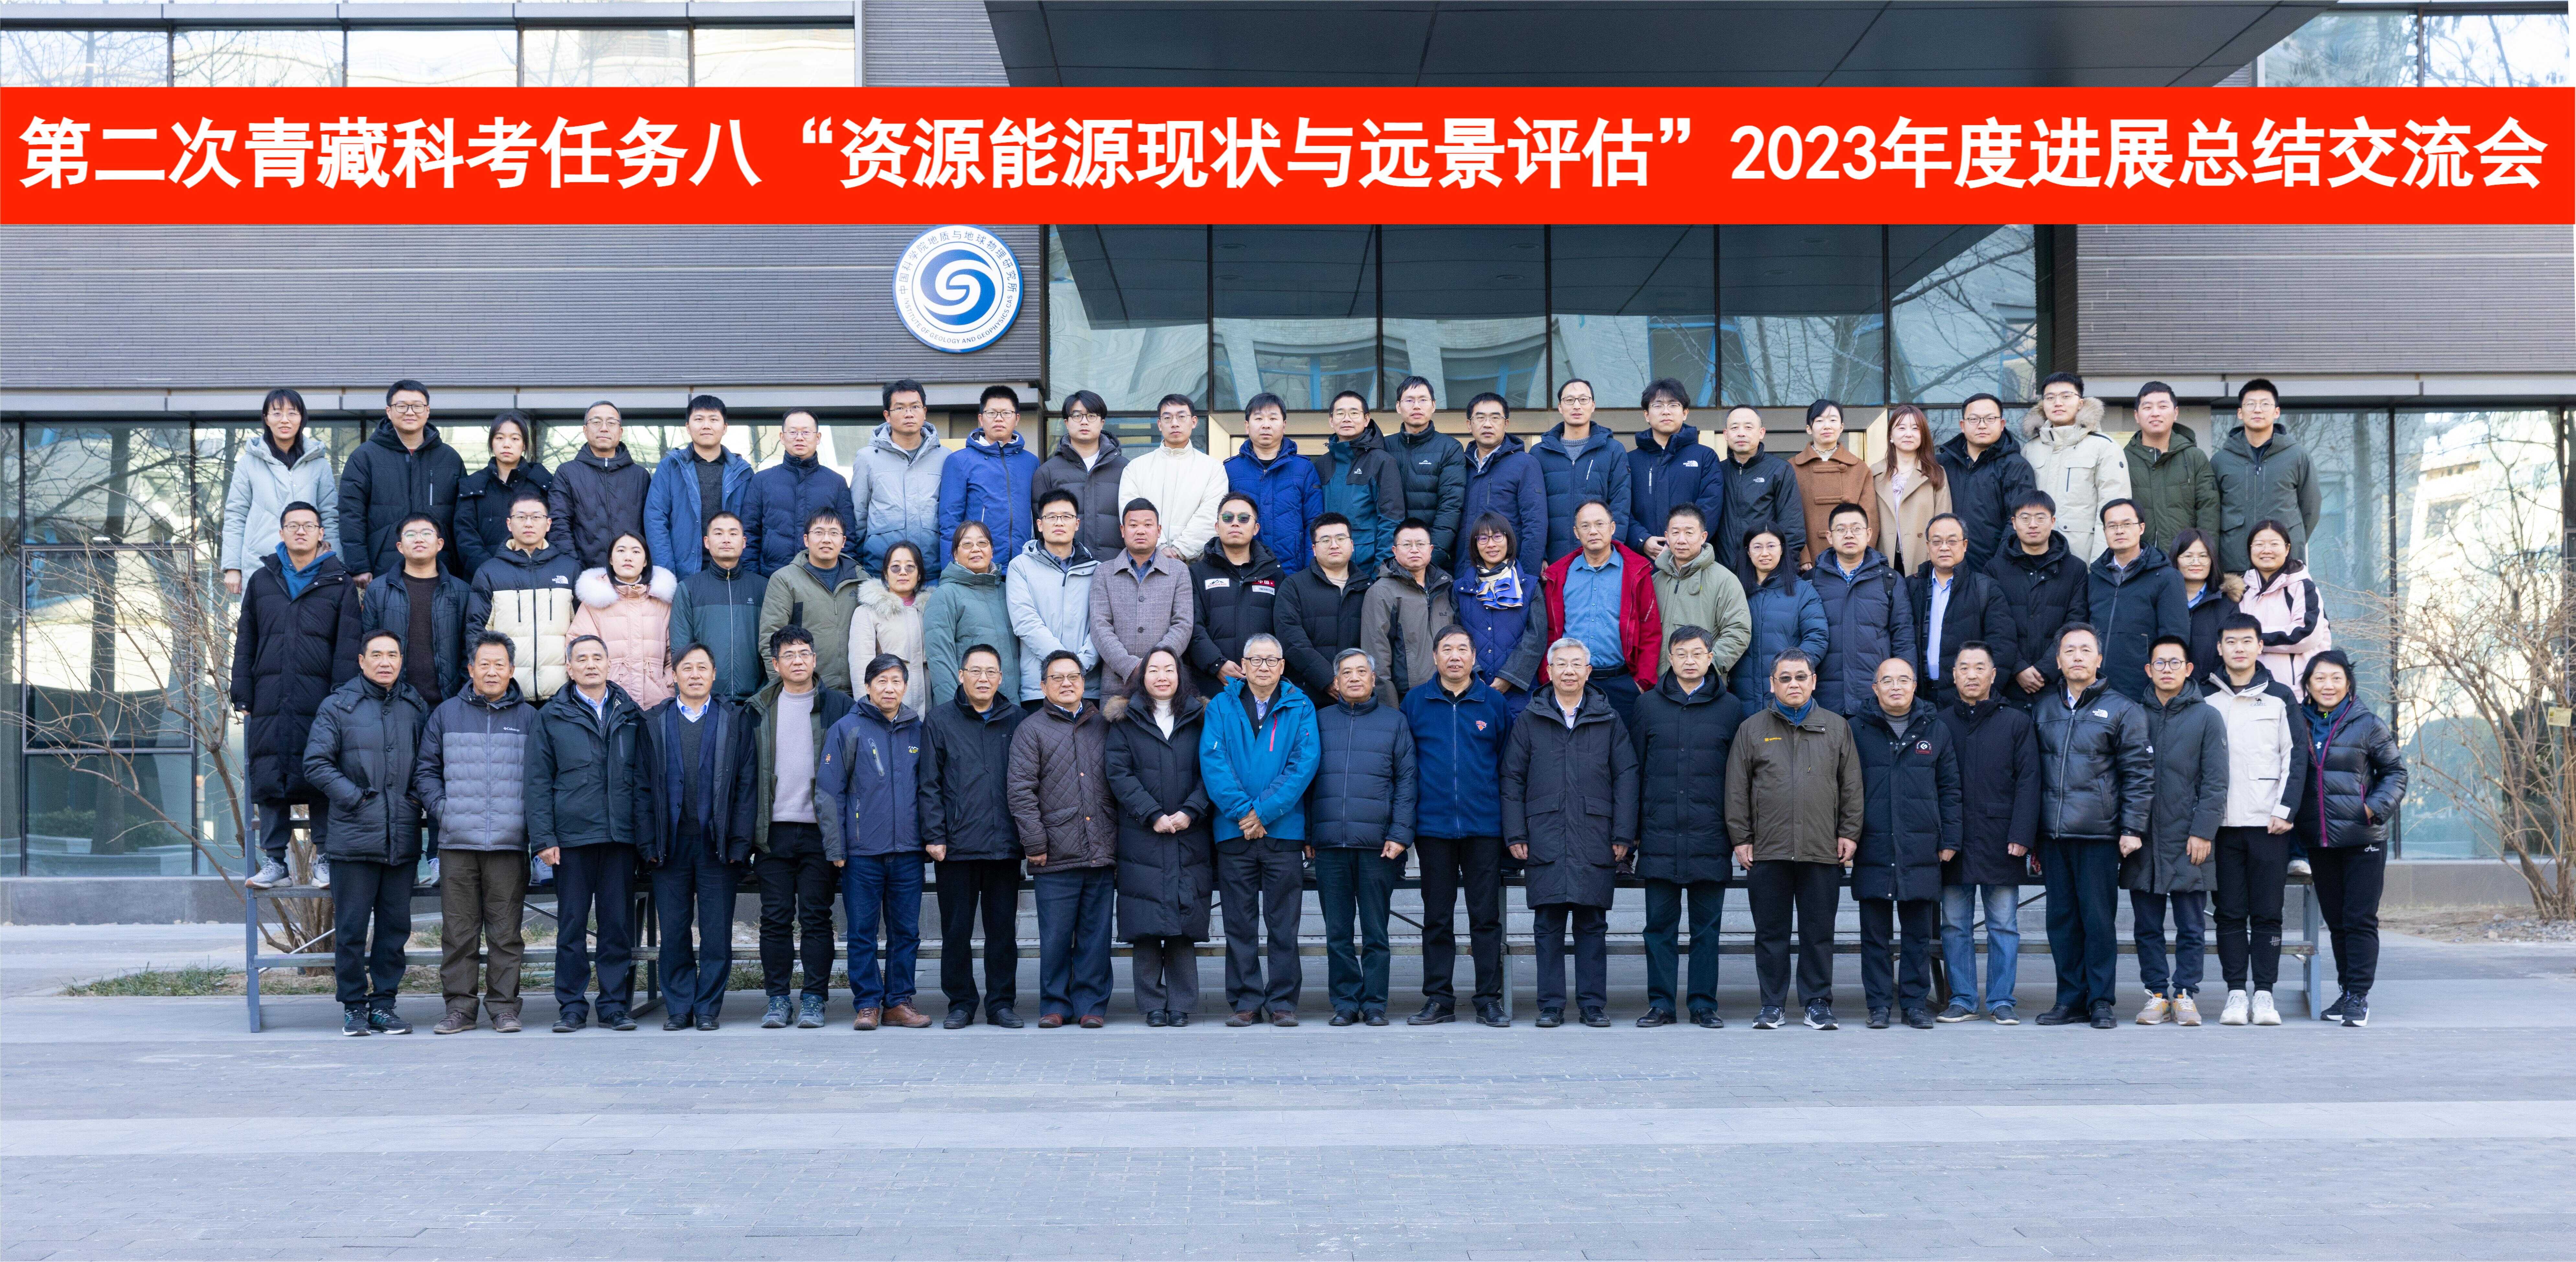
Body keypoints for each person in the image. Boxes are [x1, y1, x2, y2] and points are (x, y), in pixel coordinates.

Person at [1505, 639, 1639, 1029]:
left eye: (1576, 664)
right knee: (1547, 925)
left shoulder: (1608, 718)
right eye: (1561, 664)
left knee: (1591, 925)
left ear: (1588, 671)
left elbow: (1627, 777)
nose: (1568, 671)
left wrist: (1623, 834)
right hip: (1543, 834)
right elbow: (1511, 778)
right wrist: (1515, 833)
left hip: (1595, 834)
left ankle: (1593, 1005)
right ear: (1548, 671)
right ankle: (1550, 1006)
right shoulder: (1530, 718)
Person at [302, 631, 431, 1036]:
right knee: (352, 930)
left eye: (393, 654)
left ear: (401, 660)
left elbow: (429, 762)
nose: (385, 662)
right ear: (361, 661)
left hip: (401, 838)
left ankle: (384, 1005)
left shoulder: (414, 706)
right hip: (354, 839)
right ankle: (354, 1007)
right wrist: (356, 799)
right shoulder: (338, 705)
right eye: (376, 655)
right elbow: (316, 763)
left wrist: (413, 800)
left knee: (395, 930)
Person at [1727, 649, 1863, 1031]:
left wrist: (1849, 832)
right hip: (1767, 849)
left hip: (1822, 849)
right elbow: (1736, 789)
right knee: (1770, 933)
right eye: (1784, 678)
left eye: (1801, 677)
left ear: (1813, 681)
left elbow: (1851, 786)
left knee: (1818, 933)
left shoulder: (1836, 727)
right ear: (1772, 684)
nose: (1793, 684)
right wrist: (1741, 837)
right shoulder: (1752, 729)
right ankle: (1772, 1005)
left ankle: (1817, 1003)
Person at [2031, 624, 2155, 1030]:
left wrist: (2132, 827)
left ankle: (2101, 1000)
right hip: (2053, 835)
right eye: (2070, 650)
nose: (2078, 657)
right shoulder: (2043, 709)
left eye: (2086, 650)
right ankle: (2070, 999)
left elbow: (2139, 773)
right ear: (2058, 661)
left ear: (2099, 659)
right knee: (2061, 921)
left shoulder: (2123, 709)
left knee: (2098, 921)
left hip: (2099, 833)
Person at [236, 502, 364, 892]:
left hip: (321, 699)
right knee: (269, 773)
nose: (301, 531)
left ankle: (324, 857)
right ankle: (275, 861)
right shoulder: (262, 580)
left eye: (309, 525)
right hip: (270, 695)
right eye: (293, 526)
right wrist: (242, 691)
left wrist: (341, 698)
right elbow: (246, 639)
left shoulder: (339, 582)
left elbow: (348, 645)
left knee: (322, 773)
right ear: (281, 533)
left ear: (321, 533)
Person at [414, 633, 537, 1034]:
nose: (492, 671)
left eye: (500, 664)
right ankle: (460, 1010)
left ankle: (504, 1008)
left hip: (508, 843)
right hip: (457, 842)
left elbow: (541, 777)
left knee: (506, 934)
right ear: (471, 669)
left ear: (512, 670)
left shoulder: (529, 718)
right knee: (459, 933)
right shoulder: (446, 714)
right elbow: (426, 771)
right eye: (484, 664)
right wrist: (444, 811)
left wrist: (526, 822)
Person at [1199, 633, 1321, 1026]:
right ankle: (1246, 1000)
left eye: (1271, 660)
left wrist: (1263, 813)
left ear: (1282, 666)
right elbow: (1213, 762)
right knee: (1239, 922)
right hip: (1234, 830)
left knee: (1284, 923)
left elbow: (1304, 764)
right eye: (1256, 660)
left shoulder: (1300, 705)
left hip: (1282, 831)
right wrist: (1243, 813)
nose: (1264, 667)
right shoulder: (1222, 705)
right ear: (1244, 664)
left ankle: (1283, 1001)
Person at [529, 635, 648, 1033]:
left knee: (617, 926)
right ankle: (572, 1007)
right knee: (572, 926)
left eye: (598, 657)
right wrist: (544, 838)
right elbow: (537, 780)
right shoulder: (552, 715)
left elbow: (643, 779)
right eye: (582, 659)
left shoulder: (630, 713)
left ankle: (614, 1005)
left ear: (609, 663)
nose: (591, 664)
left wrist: (643, 837)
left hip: (619, 838)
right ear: (569, 667)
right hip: (571, 840)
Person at [635, 644, 758, 1031]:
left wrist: (739, 844)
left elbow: (746, 786)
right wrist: (648, 844)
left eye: (702, 667)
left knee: (716, 933)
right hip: (669, 846)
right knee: (673, 932)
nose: (694, 674)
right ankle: (678, 1007)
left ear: (714, 674)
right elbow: (641, 787)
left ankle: (707, 1008)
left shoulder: (733, 720)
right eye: (686, 668)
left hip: (716, 846)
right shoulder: (654, 721)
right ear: (674, 676)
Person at [1630, 625, 1746, 1029]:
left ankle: (1702, 1004)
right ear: (1670, 658)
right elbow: (1634, 770)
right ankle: (1661, 1004)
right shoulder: (1647, 706)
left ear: (1711, 658)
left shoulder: (1731, 708)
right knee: (1658, 928)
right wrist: (1633, 831)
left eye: (1698, 653)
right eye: (1681, 654)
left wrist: (1738, 833)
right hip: (1659, 833)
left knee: (1706, 929)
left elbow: (1739, 777)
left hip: (1710, 834)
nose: (1690, 661)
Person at [745, 627, 857, 1031]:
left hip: (819, 832)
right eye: (789, 655)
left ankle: (813, 998)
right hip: (772, 831)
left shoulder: (839, 706)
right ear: (775, 664)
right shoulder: (758, 708)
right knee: (775, 918)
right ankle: (777, 999)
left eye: (805, 653)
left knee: (816, 916)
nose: (798, 661)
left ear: (815, 659)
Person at [1402, 626, 1514, 1028]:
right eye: (1446, 649)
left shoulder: (1494, 703)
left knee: (1485, 918)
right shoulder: (1415, 702)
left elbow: (1507, 766)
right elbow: (1405, 765)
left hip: (1483, 826)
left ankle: (1488, 1000)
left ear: (1474, 657)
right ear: (1434, 657)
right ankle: (1439, 999)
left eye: (1462, 649)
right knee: (1437, 917)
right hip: (1433, 828)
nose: (1454, 656)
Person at [2203, 613, 2308, 1027]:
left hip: (2268, 824)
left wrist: (2285, 810)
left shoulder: (2280, 697)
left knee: (2267, 912)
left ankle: (2264, 994)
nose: (2239, 648)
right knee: (2228, 912)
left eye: (2247, 641)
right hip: (2220, 825)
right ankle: (2234, 993)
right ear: (2219, 648)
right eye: (2231, 641)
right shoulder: (2204, 697)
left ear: (2260, 646)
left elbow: (2295, 756)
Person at [818, 652, 934, 1031]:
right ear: (867, 686)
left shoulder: (918, 731)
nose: (889, 688)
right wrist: (836, 847)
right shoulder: (847, 728)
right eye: (881, 681)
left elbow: (931, 789)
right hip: (861, 853)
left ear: (906, 686)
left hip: (908, 852)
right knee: (862, 933)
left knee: (906, 933)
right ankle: (867, 1003)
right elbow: (829, 792)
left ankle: (898, 1002)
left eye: (896, 681)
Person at [1304, 650, 1417, 1026]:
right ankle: (1345, 1002)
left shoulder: (1394, 722)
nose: (1354, 678)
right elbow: (1304, 779)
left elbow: (1407, 783)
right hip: (1329, 844)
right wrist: (1309, 832)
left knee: (1375, 931)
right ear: (1335, 682)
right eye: (1346, 673)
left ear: (1373, 679)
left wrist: (1400, 834)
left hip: (1378, 846)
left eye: (1361, 672)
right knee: (1337, 932)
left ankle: (1375, 1003)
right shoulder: (1319, 721)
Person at [918, 641, 1028, 1028]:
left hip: (1004, 846)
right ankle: (961, 1003)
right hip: (956, 847)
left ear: (1001, 678)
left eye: (991, 672)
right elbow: (928, 783)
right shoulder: (940, 720)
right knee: (956, 931)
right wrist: (934, 835)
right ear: (961, 675)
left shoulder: (1016, 719)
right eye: (976, 671)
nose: (984, 678)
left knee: (1002, 932)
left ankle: (1001, 1003)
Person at [1008, 651, 1120, 1028]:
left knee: (1096, 935)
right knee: (1055, 936)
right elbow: (1020, 791)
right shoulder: (1031, 729)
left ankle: (1091, 1006)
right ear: (1043, 686)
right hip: (1054, 852)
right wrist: (1035, 844)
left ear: (1085, 682)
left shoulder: (1103, 725)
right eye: (1057, 678)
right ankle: (1055, 1004)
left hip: (1100, 847)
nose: (1067, 683)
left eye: (1074, 676)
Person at [2296, 650, 2407, 1029]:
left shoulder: (2367, 724)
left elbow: (2395, 772)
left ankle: (2359, 995)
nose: (2328, 686)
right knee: (2337, 921)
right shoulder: (2297, 722)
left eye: (2336, 678)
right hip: (2320, 840)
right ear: (2308, 685)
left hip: (2363, 837)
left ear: (2348, 684)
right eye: (2319, 679)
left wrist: (2372, 808)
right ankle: (2347, 992)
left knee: (2359, 919)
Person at [1849, 656, 1960, 1031]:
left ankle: (1914, 1004)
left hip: (1921, 847)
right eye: (1887, 680)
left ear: (1915, 686)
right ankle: (1879, 1005)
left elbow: (1950, 789)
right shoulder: (1856, 729)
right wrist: (1845, 836)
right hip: (1872, 845)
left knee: (1917, 935)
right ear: (1875, 688)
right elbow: (1843, 788)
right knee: (1874, 936)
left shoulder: (1936, 729)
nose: (1895, 687)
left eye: (1903, 680)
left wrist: (1950, 838)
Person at [2123, 635, 2229, 1026]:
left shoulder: (2207, 717)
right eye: (2159, 663)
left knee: (2191, 924)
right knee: (2146, 925)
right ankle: (2156, 994)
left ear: (2188, 669)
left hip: (2189, 838)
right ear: (2148, 670)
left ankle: (2185, 994)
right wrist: (2128, 827)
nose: (2166, 669)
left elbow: (2216, 782)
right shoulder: (2133, 714)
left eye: (2175, 663)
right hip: (2143, 837)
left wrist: (2203, 831)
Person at [1104, 648, 1214, 1026]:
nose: (1162, 676)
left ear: (1181, 675)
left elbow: (1213, 769)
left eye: (1170, 669)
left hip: (1189, 831)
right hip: (1141, 835)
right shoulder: (1125, 719)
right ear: (1142, 676)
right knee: (1146, 921)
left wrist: (1191, 810)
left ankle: (1181, 1004)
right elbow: (1118, 773)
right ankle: (1152, 1004)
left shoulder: (1201, 717)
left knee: (1183, 921)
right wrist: (1152, 814)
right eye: (1154, 670)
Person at [1934, 642, 2040, 1025]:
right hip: (1954, 841)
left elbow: (2029, 781)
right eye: (1964, 667)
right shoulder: (1939, 723)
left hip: (2002, 839)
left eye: (1980, 667)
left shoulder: (2015, 722)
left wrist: (2022, 834)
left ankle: (2001, 1000)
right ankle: (1962, 998)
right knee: (1954, 925)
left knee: (2003, 926)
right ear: (1954, 675)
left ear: (1993, 676)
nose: (1972, 675)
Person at [1540, 499, 1661, 724]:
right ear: (1576, 532)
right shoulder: (1560, 575)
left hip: (1622, 683)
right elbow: (1550, 631)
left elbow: (1650, 630)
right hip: (1571, 683)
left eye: (1600, 524)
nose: (1593, 531)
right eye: (1585, 526)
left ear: (1613, 528)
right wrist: (1548, 678)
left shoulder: (1636, 572)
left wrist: (1642, 682)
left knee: (1622, 746)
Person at [341, 379, 467, 584]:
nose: (410, 412)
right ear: (389, 411)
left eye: (417, 406)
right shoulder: (365, 457)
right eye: (402, 406)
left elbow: (463, 518)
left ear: (427, 411)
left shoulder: (449, 459)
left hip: (441, 567)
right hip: (382, 567)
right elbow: (351, 514)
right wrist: (359, 566)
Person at [222, 388, 340, 596]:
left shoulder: (319, 465)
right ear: (266, 419)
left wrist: (335, 562)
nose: (285, 420)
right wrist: (233, 567)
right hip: (261, 563)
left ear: (302, 419)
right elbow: (235, 516)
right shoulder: (248, 464)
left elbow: (330, 517)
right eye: (277, 413)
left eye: (292, 413)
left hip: (312, 566)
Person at [466, 491, 583, 701]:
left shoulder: (570, 569)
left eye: (536, 517)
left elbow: (583, 632)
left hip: (562, 695)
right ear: (509, 524)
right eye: (521, 517)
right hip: (507, 695)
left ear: (548, 524)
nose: (529, 523)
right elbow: (477, 633)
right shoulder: (490, 572)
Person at [1985, 491, 2091, 708]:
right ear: (2014, 523)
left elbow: (2076, 622)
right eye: (2025, 518)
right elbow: (1993, 625)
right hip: (2009, 682)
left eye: (2040, 518)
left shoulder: (2075, 569)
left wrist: (2046, 669)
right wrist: (2018, 668)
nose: (2033, 525)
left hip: (2058, 682)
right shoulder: (1995, 569)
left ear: (2053, 521)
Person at [1810, 502, 1917, 717]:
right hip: (1825, 698)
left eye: (1856, 529)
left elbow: (1904, 638)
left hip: (1876, 697)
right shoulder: (1812, 581)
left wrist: (1905, 688)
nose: (1849, 535)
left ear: (1869, 534)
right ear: (1830, 537)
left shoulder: (1890, 580)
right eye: (1841, 529)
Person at [358, 514, 470, 710]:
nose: (419, 539)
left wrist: (461, 696)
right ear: (400, 547)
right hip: (392, 701)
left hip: (448, 702)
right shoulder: (378, 590)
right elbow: (367, 645)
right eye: (410, 535)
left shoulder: (461, 591)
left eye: (427, 533)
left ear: (440, 544)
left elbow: (469, 648)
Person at [2210, 378, 2320, 576]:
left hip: (2285, 564)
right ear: (2240, 413)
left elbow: (2311, 509)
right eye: (2251, 404)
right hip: (2235, 563)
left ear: (2277, 412)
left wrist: (2291, 539)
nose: (2258, 410)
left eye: (2265, 404)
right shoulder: (2222, 460)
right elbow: (2212, 510)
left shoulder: (2297, 456)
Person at [2019, 373, 2131, 561]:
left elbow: (2114, 511)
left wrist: (2101, 564)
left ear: (2081, 403)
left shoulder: (2104, 447)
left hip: (2082, 557)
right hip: (2035, 558)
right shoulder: (2031, 449)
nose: (2058, 403)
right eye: (2050, 398)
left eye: (2066, 396)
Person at [2086, 499, 2189, 703]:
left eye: (2127, 524)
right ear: (2105, 531)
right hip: (2094, 686)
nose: (2119, 531)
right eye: (2112, 526)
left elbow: (2174, 637)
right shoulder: (2095, 578)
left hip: (2143, 689)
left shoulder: (2167, 577)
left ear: (2142, 528)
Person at [1908, 513, 2016, 706]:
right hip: (1919, 698)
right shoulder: (1911, 587)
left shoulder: (1985, 588)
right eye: (1937, 542)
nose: (1944, 548)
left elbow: (2002, 647)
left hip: (1970, 699)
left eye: (1952, 541)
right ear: (1928, 546)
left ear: (1965, 545)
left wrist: (1982, 696)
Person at [1451, 513, 1548, 723]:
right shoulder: (1461, 589)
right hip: (1472, 689)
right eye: (1483, 538)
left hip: (1521, 691)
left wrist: (1509, 678)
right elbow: (1456, 636)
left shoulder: (1530, 586)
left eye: (1497, 536)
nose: (1491, 544)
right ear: (1475, 544)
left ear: (1509, 540)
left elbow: (1537, 637)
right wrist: (1474, 675)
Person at [758, 509, 868, 693]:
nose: (826, 539)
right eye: (819, 532)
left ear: (844, 542)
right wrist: (786, 690)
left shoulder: (861, 579)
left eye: (834, 533)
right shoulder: (785, 580)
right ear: (806, 540)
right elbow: (770, 638)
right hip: (807, 690)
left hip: (857, 690)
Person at [644, 395, 754, 580]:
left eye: (714, 420)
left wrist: (746, 571)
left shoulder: (743, 472)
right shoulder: (671, 467)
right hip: (683, 568)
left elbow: (751, 525)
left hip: (731, 569)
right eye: (699, 419)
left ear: (725, 427)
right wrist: (666, 573)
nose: (706, 426)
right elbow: (656, 520)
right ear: (688, 427)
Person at [1089, 498, 1194, 689]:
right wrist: (1129, 667)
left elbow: (1183, 624)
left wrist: (1156, 667)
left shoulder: (1179, 571)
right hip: (1118, 683)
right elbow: (1100, 627)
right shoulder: (1104, 572)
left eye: (1148, 525)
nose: (1141, 531)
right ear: (1123, 531)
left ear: (1159, 531)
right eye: (1133, 525)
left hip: (1166, 682)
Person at [1186, 492, 1284, 696]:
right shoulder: (1197, 573)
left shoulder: (1275, 574)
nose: (1235, 523)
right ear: (1217, 526)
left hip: (1264, 684)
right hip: (1212, 685)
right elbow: (1192, 626)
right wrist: (1216, 664)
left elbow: (1285, 630)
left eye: (1244, 518)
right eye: (1228, 518)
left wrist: (1266, 666)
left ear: (1256, 528)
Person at [852, 378, 950, 580]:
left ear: (925, 412)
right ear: (887, 416)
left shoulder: (945, 457)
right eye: (900, 408)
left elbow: (951, 514)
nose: (909, 414)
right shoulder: (867, 458)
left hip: (933, 571)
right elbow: (858, 516)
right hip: (881, 571)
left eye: (915, 407)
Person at [1008, 490, 1100, 700]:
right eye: (1051, 517)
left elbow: (1102, 626)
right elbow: (1026, 623)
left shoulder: (1097, 570)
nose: (1059, 522)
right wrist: (1065, 666)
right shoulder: (1021, 567)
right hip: (1039, 688)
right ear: (1040, 525)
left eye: (1067, 516)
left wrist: (1079, 667)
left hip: (1087, 686)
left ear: (1077, 524)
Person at [1274, 513, 1374, 707]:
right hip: (1308, 696)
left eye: (1341, 539)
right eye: (1326, 540)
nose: (1334, 545)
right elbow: (1291, 639)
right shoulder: (1294, 587)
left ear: (1352, 545)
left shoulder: (1369, 589)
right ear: (1314, 549)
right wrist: (1328, 680)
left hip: (1360, 696)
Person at [666, 512, 767, 702]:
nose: (726, 540)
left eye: (733, 534)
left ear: (744, 542)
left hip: (756, 701)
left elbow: (772, 645)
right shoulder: (689, 589)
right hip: (706, 702)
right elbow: (681, 650)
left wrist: (766, 694)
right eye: (719, 533)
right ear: (707, 542)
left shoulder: (762, 587)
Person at [569, 532, 677, 710]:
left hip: (657, 703)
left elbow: (675, 652)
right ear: (611, 560)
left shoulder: (662, 601)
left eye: (636, 552)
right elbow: (579, 650)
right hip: (608, 704)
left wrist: (666, 687)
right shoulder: (595, 601)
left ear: (645, 561)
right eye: (621, 551)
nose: (628, 557)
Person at [743, 408, 857, 576]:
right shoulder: (762, 481)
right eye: (793, 432)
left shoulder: (836, 482)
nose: (799, 438)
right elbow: (749, 535)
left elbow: (848, 538)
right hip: (771, 577)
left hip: (823, 578)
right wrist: (753, 579)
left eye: (806, 432)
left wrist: (844, 577)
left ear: (818, 438)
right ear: (782, 438)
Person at [1624, 378, 1726, 563]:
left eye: (1673, 405)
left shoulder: (1705, 457)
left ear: (1685, 413)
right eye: (1658, 406)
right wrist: (1642, 540)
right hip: (1643, 562)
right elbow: (1621, 508)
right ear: (1647, 415)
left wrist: (1681, 543)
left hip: (1692, 562)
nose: (1666, 411)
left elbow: (1711, 506)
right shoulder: (1631, 461)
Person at [1935, 392, 2037, 574]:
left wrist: (1998, 566)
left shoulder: (2016, 466)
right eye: (1974, 419)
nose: (1982, 425)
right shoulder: (1944, 464)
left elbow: (2017, 522)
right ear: (1963, 426)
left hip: (1994, 570)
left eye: (1990, 419)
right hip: (1946, 568)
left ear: (2002, 424)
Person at [1117, 393, 1228, 560]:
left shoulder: (1213, 469)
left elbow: (1210, 515)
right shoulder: (1136, 468)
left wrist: (1181, 550)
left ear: (1194, 422)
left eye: (1182, 417)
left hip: (1195, 563)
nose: (1175, 423)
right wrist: (1160, 546)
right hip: (1145, 560)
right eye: (1168, 418)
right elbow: (1130, 512)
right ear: (1160, 425)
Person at [1533, 378, 1632, 566]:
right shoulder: (1540, 453)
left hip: (1600, 558)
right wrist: (1540, 556)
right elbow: (1533, 511)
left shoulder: (1613, 450)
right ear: (1560, 407)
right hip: (1553, 561)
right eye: (1570, 400)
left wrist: (1612, 554)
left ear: (1593, 405)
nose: (1577, 406)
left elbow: (1620, 506)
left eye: (1583, 400)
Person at [1225, 392, 1325, 573]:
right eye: (1259, 419)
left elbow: (1314, 523)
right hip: (1242, 570)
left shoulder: (1303, 468)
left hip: (1292, 572)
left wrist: (1310, 572)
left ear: (1284, 425)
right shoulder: (1231, 469)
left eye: (1273, 418)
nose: (1266, 425)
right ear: (1247, 426)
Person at [1313, 390, 1410, 574]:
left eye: (1354, 413)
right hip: (1327, 567)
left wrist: (1381, 572)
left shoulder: (1382, 462)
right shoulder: (1322, 464)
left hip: (1367, 569)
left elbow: (1391, 521)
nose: (1347, 419)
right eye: (1340, 414)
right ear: (1331, 420)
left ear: (1366, 420)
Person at [939, 386, 1039, 566]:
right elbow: (950, 522)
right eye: (992, 413)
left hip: (1024, 564)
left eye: (1006, 413)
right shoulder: (959, 461)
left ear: (1017, 419)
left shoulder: (1031, 462)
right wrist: (950, 571)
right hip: (978, 566)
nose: (999, 418)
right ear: (981, 419)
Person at [923, 521, 1020, 707]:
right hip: (968, 709)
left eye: (982, 543)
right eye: (967, 544)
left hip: (1010, 707)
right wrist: (953, 711)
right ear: (956, 555)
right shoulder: (945, 595)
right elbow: (940, 660)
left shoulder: (1008, 592)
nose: (976, 549)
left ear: (992, 551)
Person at [1728, 527, 1828, 706]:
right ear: (1748, 552)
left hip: (1788, 693)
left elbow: (1817, 637)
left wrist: (1793, 671)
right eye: (1757, 547)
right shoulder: (1734, 589)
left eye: (1771, 546)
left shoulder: (1803, 591)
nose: (1765, 553)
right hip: (1741, 693)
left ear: (1782, 550)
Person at [547, 400, 651, 572]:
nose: (604, 428)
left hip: (632, 574)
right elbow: (559, 524)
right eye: (596, 422)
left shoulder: (640, 476)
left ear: (621, 432)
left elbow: (652, 528)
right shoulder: (567, 473)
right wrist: (573, 568)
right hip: (584, 574)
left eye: (611, 423)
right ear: (585, 430)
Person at [1360, 519, 1455, 705]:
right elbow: (1377, 657)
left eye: (1421, 544)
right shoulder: (1381, 592)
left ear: (1431, 549)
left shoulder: (1444, 588)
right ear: (1394, 551)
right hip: (1408, 698)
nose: (1414, 550)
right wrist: (1390, 710)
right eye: (1407, 545)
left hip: (1449, 693)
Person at [1648, 504, 1750, 678]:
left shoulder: (1724, 580)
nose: (1681, 540)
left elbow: (1738, 631)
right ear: (1667, 537)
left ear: (1703, 537)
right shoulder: (1655, 581)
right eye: (1675, 533)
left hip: (1703, 683)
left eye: (1689, 533)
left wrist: (1707, 669)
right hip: (1657, 683)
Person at [453, 410, 553, 581]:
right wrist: (491, 572)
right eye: (500, 438)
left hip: (535, 577)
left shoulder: (542, 483)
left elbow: (554, 532)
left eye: (515, 439)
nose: (507, 445)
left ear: (524, 445)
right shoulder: (472, 485)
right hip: (484, 578)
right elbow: (465, 536)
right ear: (492, 443)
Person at [2239, 518, 2333, 700]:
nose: (2267, 550)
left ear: (2287, 549)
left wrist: (2252, 639)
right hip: (2248, 692)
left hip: (2297, 694)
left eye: (2274, 544)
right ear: (2250, 549)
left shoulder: (2302, 586)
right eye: (2259, 545)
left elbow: (2307, 635)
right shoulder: (2241, 590)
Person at [1456, 392, 1547, 573]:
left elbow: (1535, 526)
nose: (1487, 424)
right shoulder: (1459, 465)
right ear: (1469, 425)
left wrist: (1527, 577)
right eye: (1480, 418)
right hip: (1465, 574)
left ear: (1506, 423)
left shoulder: (1525, 464)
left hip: (1509, 575)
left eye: (1495, 418)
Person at [1031, 389, 1128, 558]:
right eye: (1077, 416)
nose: (1084, 422)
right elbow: (1040, 527)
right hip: (1065, 566)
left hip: (1115, 565)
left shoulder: (1125, 468)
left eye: (1091, 416)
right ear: (1067, 423)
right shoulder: (1047, 472)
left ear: (1102, 423)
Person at [2123, 382, 2220, 551]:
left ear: (2176, 413)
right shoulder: (2123, 459)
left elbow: (2209, 510)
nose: (2155, 413)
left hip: (2184, 556)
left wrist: (2205, 553)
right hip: (2138, 557)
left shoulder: (2195, 457)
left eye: (2163, 407)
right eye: (2147, 408)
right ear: (2137, 416)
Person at [1714, 404, 1803, 577]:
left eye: (1749, 427)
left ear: (1761, 433)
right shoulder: (1717, 471)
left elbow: (1792, 527)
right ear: (1726, 434)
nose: (1741, 433)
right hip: (1722, 573)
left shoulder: (1780, 470)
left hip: (1765, 572)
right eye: (1735, 428)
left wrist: (1784, 574)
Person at [1386, 376, 1469, 559]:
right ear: (1398, 406)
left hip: (1432, 554)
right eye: (1410, 400)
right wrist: (1388, 555)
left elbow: (1451, 506)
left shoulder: (1449, 448)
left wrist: (1433, 554)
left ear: (1433, 405)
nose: (1417, 406)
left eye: (1423, 400)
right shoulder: (1385, 447)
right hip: (1391, 553)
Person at [1789, 400, 1874, 571]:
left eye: (1833, 420)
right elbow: (1788, 517)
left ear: (1842, 427)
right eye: (1820, 421)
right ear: (1809, 429)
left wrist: (1862, 557)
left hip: (1852, 559)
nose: (1827, 426)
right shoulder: (1792, 468)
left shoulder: (1859, 468)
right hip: (1808, 562)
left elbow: (1870, 517)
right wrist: (1801, 555)